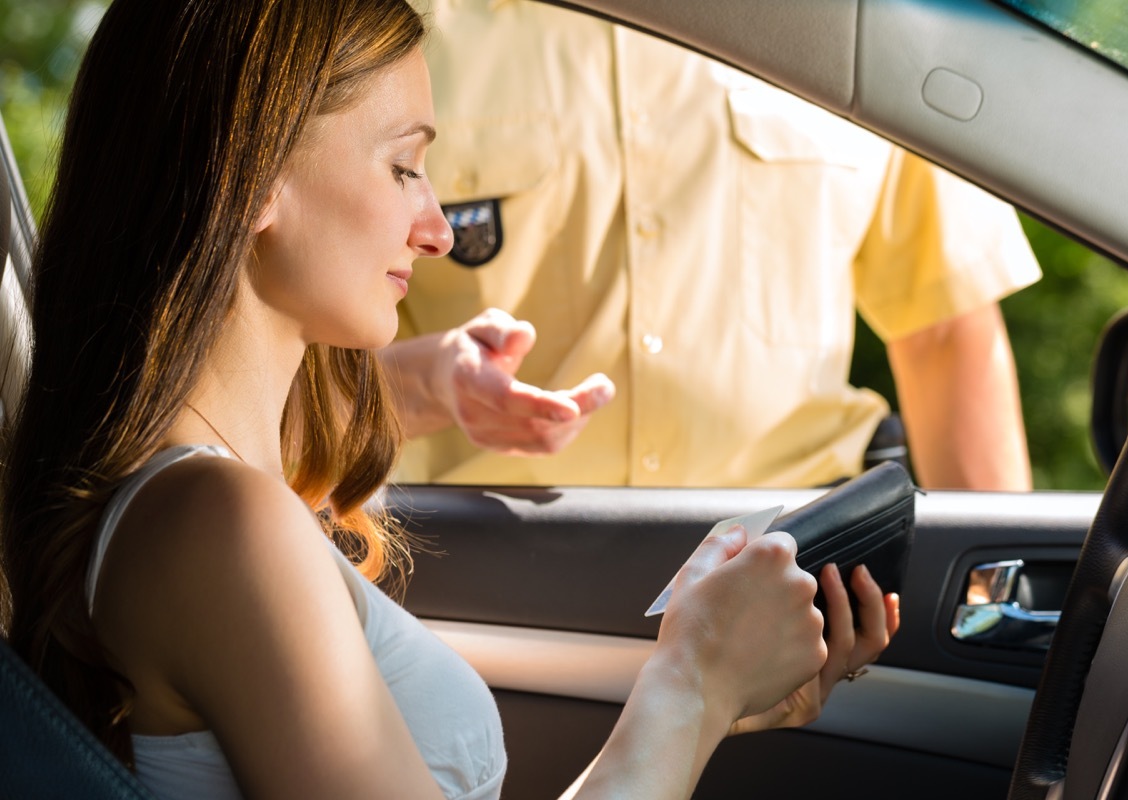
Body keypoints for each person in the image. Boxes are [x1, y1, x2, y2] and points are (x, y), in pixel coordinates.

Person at [0, 1, 899, 798]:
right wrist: (690, 687)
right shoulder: (221, 524)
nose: (435, 229)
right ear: (253, 173)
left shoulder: (225, 504)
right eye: (403, 168)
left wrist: (715, 690)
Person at [381, 0, 1041, 491]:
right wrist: (434, 385)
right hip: (477, 590)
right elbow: (294, 363)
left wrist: (995, 602)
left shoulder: (869, 21)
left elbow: (946, 334)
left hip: (802, 576)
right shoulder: (386, 26)